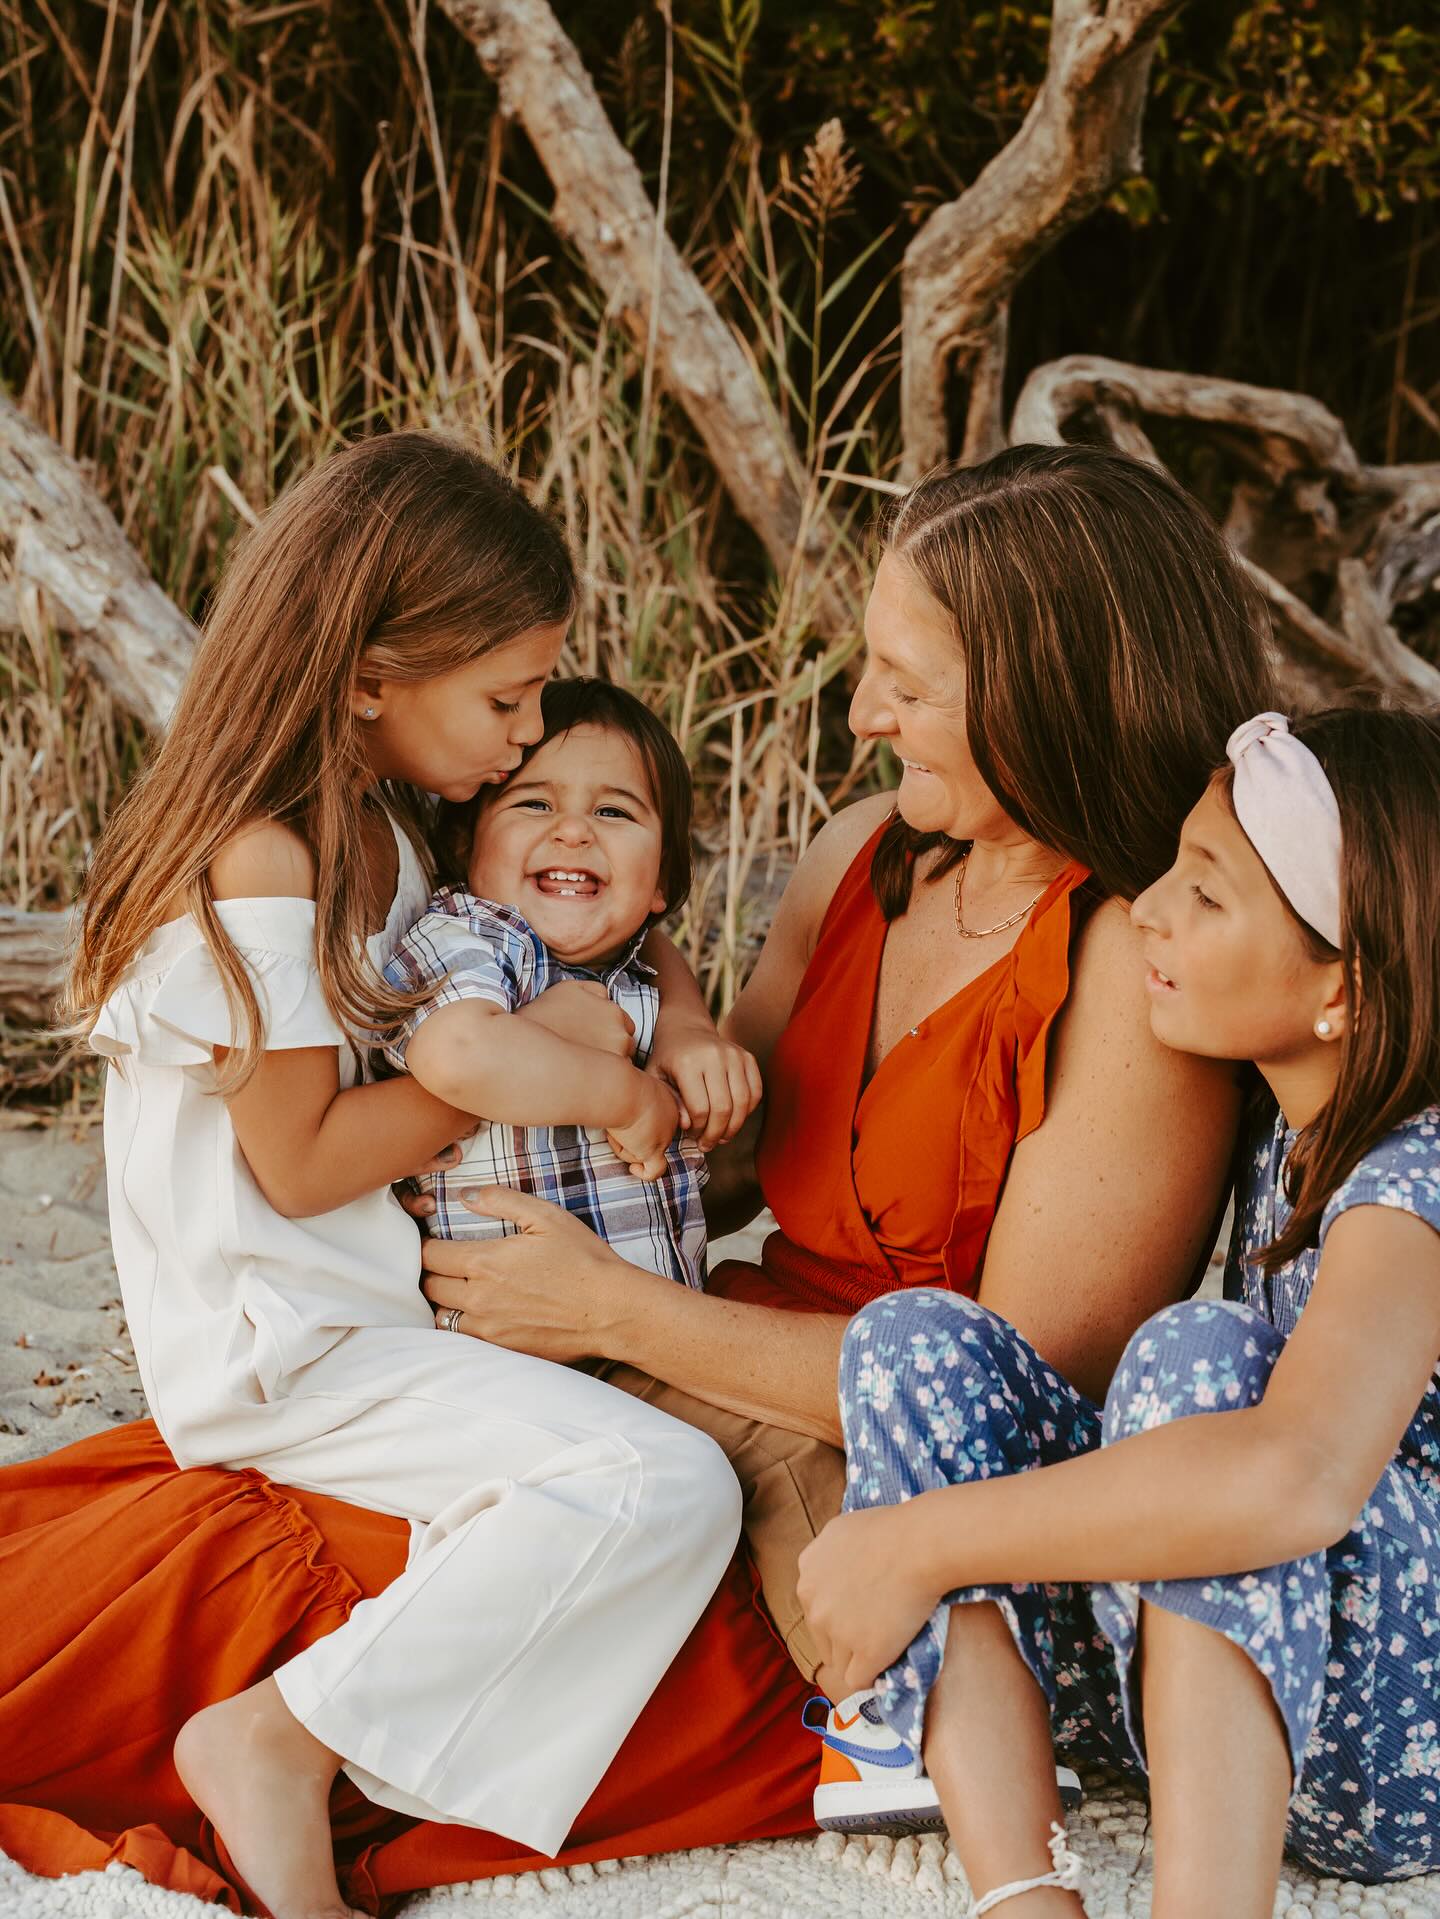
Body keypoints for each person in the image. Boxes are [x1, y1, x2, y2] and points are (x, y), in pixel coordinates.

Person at [1, 444, 1274, 1910]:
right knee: (194, 1534)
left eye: (908, 687)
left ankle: (271, 1749)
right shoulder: (866, 856)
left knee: (296, 1591)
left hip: (861, 1484)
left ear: (1050, 689)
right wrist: (639, 1041)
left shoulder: (1133, 969)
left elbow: (1006, 1396)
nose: (863, 715)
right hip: (645, 1356)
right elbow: (687, 1139)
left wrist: (615, 1310)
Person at [61, 431, 746, 1919]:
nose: (525, 736)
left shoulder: (381, 823)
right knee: (659, 1482)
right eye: (505, 699)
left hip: (372, 1308)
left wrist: (668, 1015)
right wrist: (544, 1058)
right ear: (373, 671)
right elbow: (300, 1164)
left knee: (662, 1464)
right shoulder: (265, 851)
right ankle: (275, 1740)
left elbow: (601, 930)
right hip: (287, 1343)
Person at [798, 706, 1440, 1917]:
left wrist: (920, 1538)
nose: (1146, 908)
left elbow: (1294, 1477)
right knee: (915, 1341)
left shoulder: (1414, 1178)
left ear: (1343, 992)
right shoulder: (1275, 1131)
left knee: (1198, 1357)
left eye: (1206, 895)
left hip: (1404, 1731)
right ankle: (1026, 1895)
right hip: (1221, 1684)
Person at [381, 675, 720, 1282]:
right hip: (507, 1337)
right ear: (464, 844)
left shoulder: (640, 968)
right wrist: (626, 1096)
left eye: (612, 811)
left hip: (649, 1329)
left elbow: (658, 948)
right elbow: (459, 1054)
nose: (574, 830)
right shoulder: (470, 939)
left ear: (662, 880)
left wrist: (691, 1029)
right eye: (535, 803)